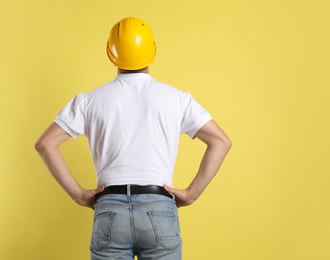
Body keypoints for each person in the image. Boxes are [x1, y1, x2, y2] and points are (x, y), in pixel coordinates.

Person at [35, 17, 231, 260]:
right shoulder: (178, 99)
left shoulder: (88, 101)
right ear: (152, 52)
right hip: (159, 206)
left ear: (110, 53)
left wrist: (78, 194)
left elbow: (45, 144)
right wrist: (191, 194)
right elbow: (221, 141)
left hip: (110, 211)